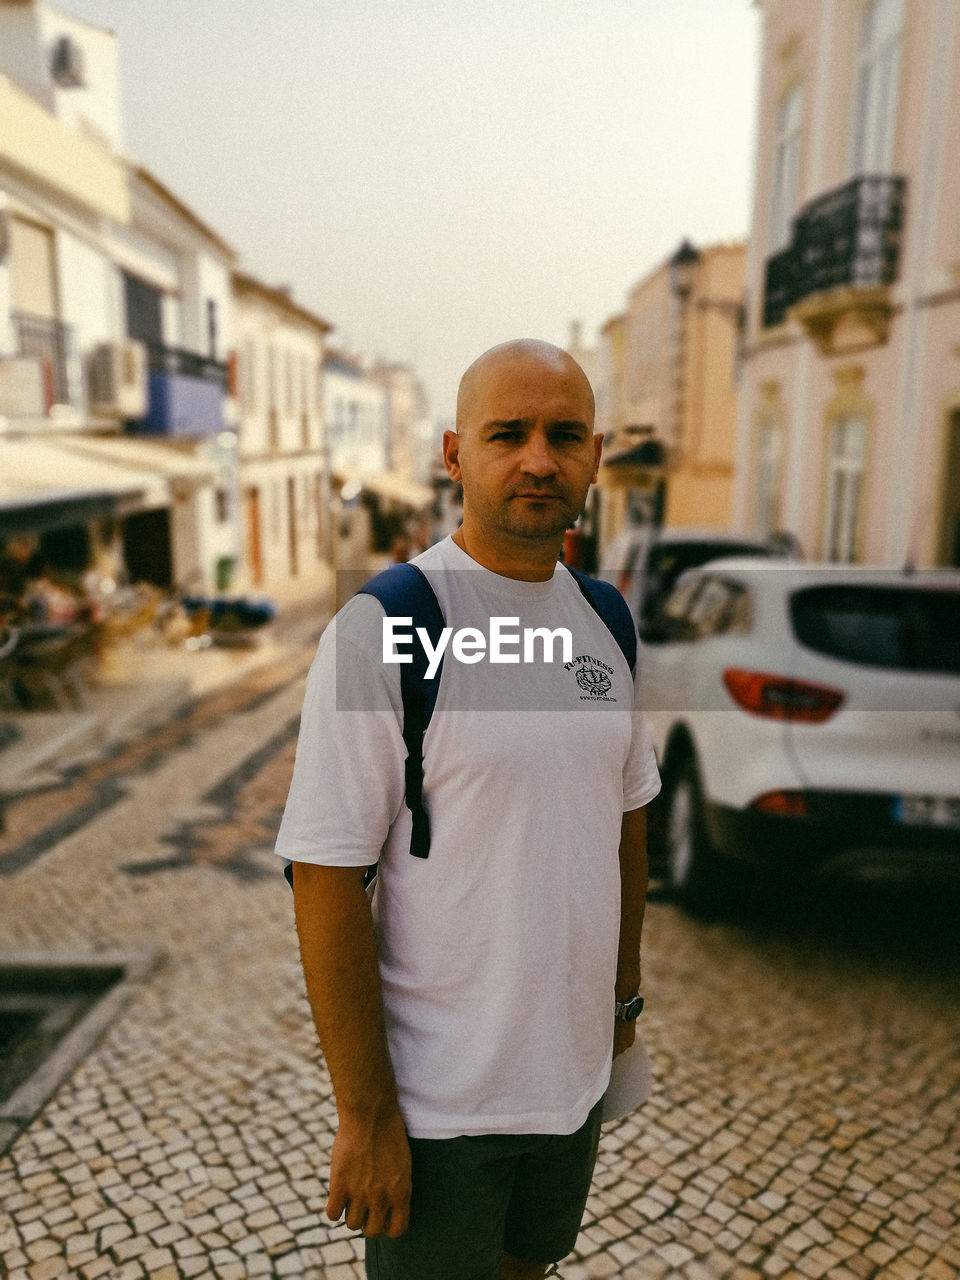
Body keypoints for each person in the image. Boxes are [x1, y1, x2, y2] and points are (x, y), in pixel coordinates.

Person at [276, 339, 661, 1280]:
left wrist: (621, 1010)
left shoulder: (605, 620)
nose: (539, 459)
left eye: (564, 435)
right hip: (442, 1106)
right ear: (454, 455)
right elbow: (326, 878)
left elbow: (626, 830)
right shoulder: (390, 627)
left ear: (595, 455)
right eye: (508, 434)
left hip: (569, 1090)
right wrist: (365, 1114)